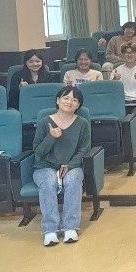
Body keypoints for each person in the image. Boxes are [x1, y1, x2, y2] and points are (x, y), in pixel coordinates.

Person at [32, 86, 91, 246]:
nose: (70, 102)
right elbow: (38, 152)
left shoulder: (83, 123)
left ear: (78, 105)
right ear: (58, 101)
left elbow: (84, 149)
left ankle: (70, 228)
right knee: (48, 181)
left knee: (74, 179)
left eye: (75, 100)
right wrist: (51, 137)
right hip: (45, 166)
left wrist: (70, 165)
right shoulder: (44, 122)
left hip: (71, 165)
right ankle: (50, 230)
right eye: (66, 98)